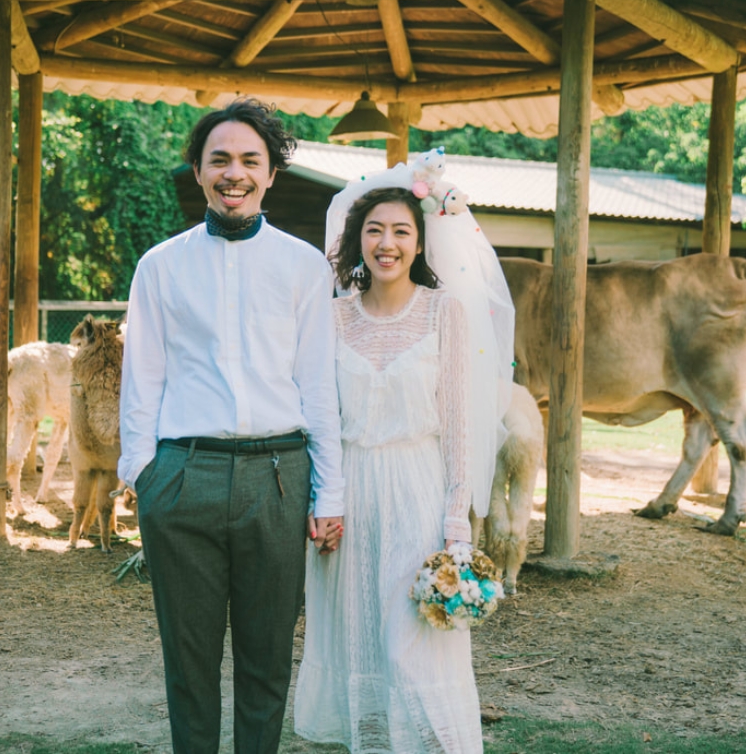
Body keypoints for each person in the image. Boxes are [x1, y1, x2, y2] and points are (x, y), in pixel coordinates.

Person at [118, 97, 344, 754]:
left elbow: (318, 386)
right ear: (198, 170)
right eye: (220, 159)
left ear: (271, 173)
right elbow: (144, 381)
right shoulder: (161, 266)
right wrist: (143, 474)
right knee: (188, 665)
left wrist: (330, 493)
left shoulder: (305, 266)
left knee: (267, 659)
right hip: (183, 478)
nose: (234, 173)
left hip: (279, 480)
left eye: (251, 160)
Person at [294, 156, 514, 753]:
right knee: (356, 637)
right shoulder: (333, 317)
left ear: (420, 242)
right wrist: (322, 500)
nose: (386, 244)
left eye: (400, 231)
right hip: (349, 494)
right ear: (355, 240)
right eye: (374, 231)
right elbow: (317, 419)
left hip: (418, 493)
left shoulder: (447, 313)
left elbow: (459, 428)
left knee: (413, 645)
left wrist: (456, 526)